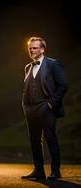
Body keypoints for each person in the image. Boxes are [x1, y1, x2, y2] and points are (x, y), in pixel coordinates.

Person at [21, 37, 68, 180]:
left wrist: (51, 104)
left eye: (35, 48)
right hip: (30, 109)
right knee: (34, 140)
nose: (32, 50)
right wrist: (25, 106)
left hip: (46, 108)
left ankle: (55, 171)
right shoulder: (28, 67)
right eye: (30, 48)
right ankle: (39, 171)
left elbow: (63, 85)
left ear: (42, 49)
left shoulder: (53, 64)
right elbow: (26, 88)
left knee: (50, 138)